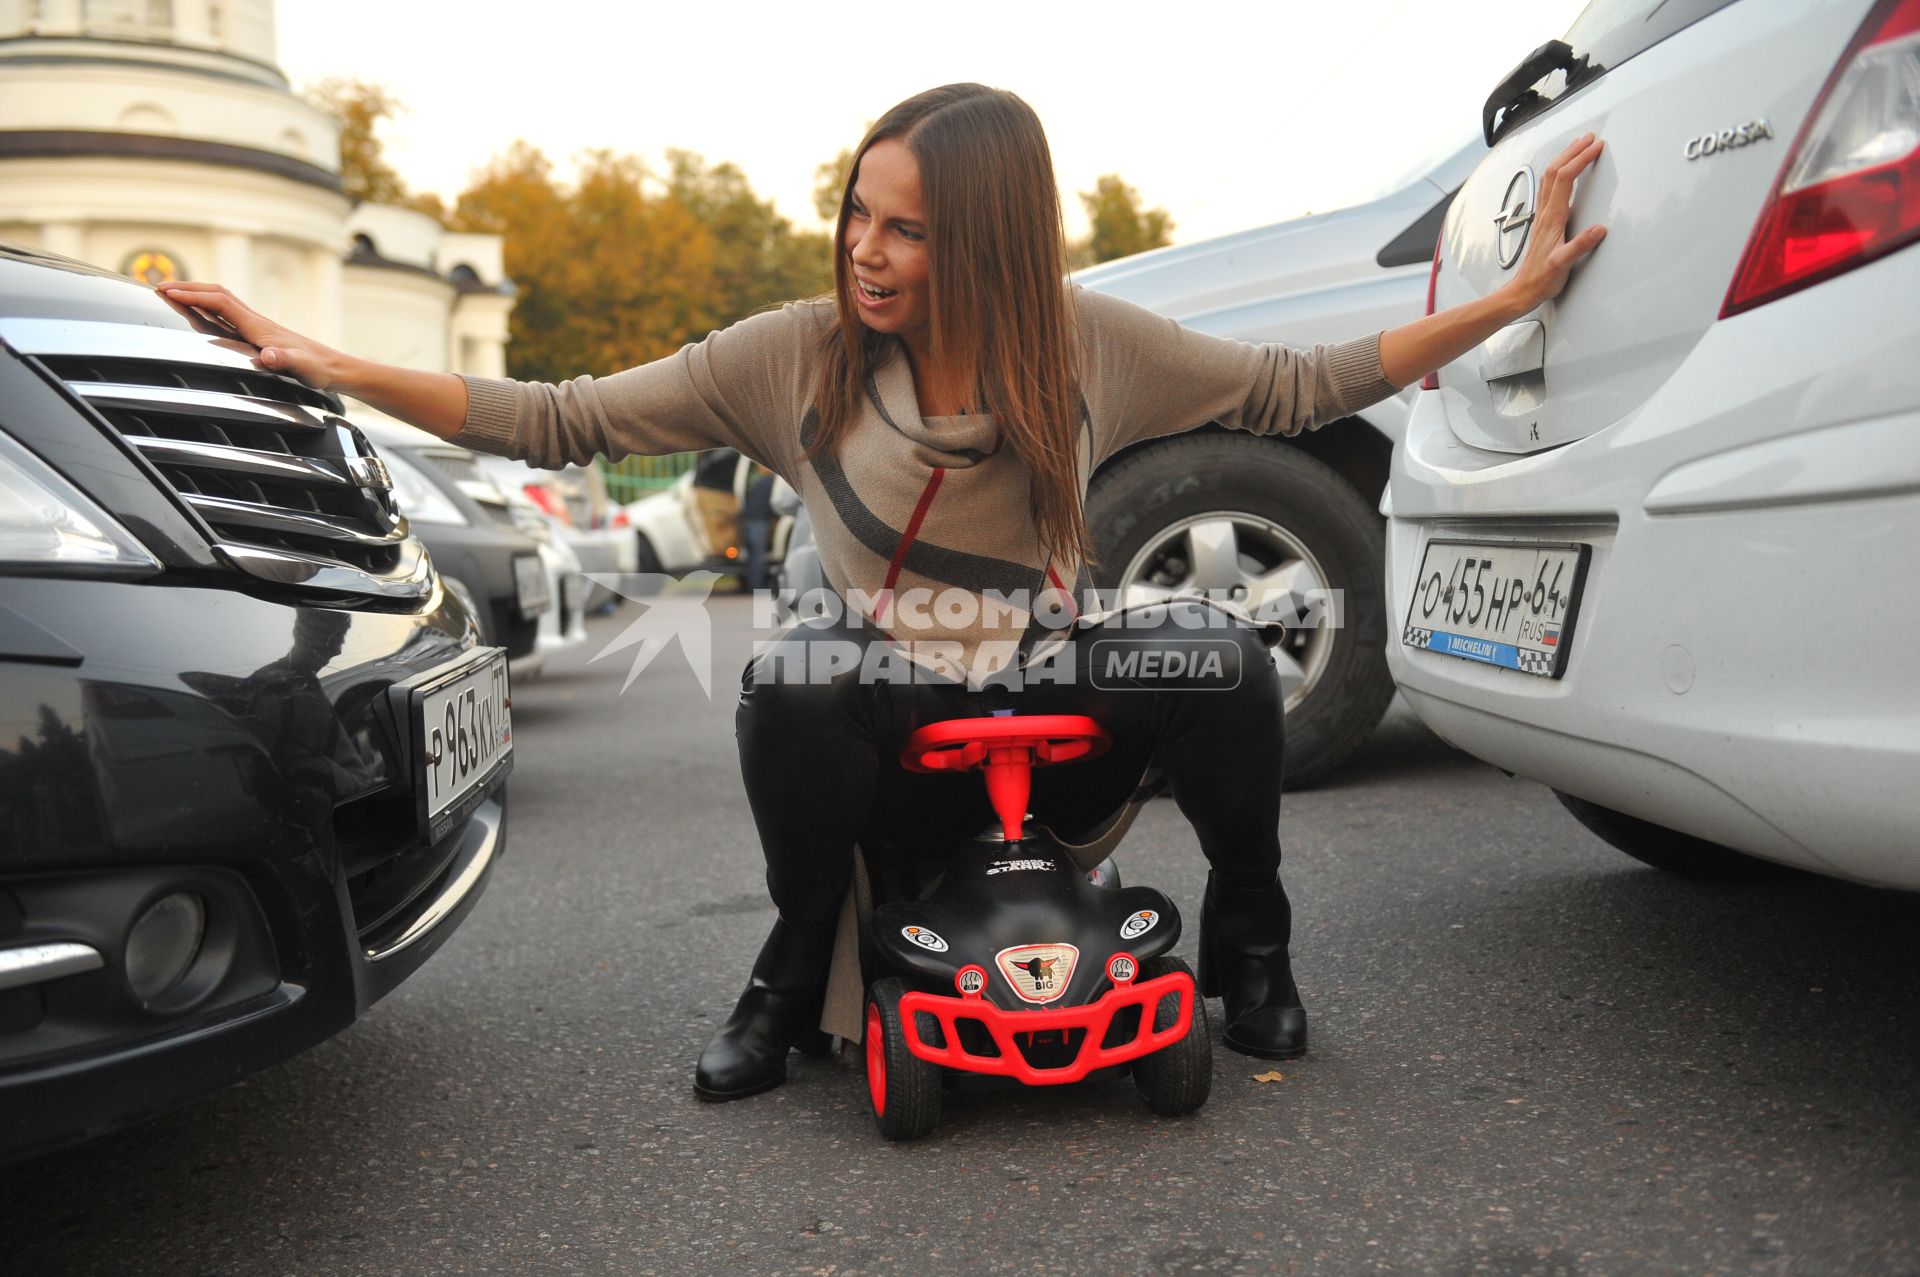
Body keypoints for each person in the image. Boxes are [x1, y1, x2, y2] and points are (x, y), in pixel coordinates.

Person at [157, 84, 1606, 1102]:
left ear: (982, 235)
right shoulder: (791, 354)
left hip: (1056, 721)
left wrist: (1509, 298)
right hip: (894, 740)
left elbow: (1306, 382)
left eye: (906, 228)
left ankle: (1255, 935)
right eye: (859, 211)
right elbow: (561, 414)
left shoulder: (1085, 344)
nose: (865, 246)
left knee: (1215, 655)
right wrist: (321, 355)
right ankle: (796, 955)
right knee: (793, 669)